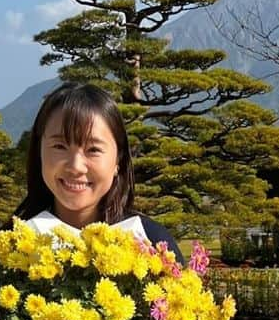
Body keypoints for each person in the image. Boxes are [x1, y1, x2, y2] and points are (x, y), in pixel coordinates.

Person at [14, 83, 182, 258]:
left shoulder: (152, 245)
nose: (75, 166)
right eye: (59, 146)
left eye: (93, 150)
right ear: (38, 151)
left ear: (118, 159)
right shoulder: (12, 246)